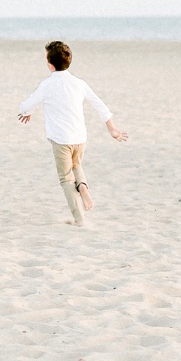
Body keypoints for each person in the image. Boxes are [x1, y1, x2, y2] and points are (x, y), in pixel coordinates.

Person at [17, 40, 128, 225]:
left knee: (66, 178)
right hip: (80, 138)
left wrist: (27, 112)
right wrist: (112, 128)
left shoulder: (47, 85)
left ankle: (79, 218)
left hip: (61, 140)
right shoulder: (79, 83)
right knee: (76, 166)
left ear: (50, 64)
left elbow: (25, 105)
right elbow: (99, 104)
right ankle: (83, 187)